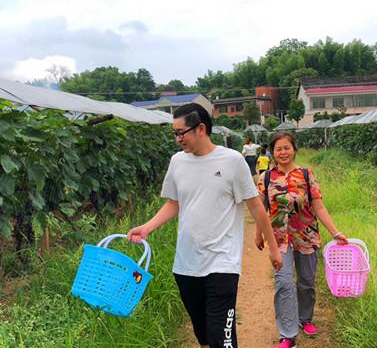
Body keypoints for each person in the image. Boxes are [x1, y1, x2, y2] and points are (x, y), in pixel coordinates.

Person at [127, 103, 283, 348]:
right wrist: (147, 227)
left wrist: (273, 248)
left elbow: (256, 207)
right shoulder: (177, 162)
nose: (178, 139)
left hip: (223, 263)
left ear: (201, 128)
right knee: (205, 338)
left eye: (181, 133)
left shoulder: (232, 161)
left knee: (223, 340)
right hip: (186, 264)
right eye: (174, 133)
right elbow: (174, 203)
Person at [255, 131, 348, 348]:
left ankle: (304, 318)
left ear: (294, 149)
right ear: (273, 153)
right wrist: (258, 234)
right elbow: (260, 209)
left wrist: (335, 232)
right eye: (278, 149)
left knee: (306, 282)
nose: (283, 152)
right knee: (283, 282)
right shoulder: (266, 178)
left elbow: (319, 206)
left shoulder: (306, 174)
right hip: (279, 241)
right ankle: (288, 334)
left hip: (307, 238)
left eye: (286, 147)